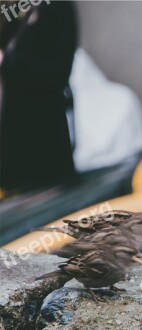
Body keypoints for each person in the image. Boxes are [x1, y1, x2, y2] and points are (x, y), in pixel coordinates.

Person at [0, 0, 78, 195]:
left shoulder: (58, 6)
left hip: (44, 142)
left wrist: (8, 62)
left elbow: (58, 73)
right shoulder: (22, 7)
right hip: (16, 145)